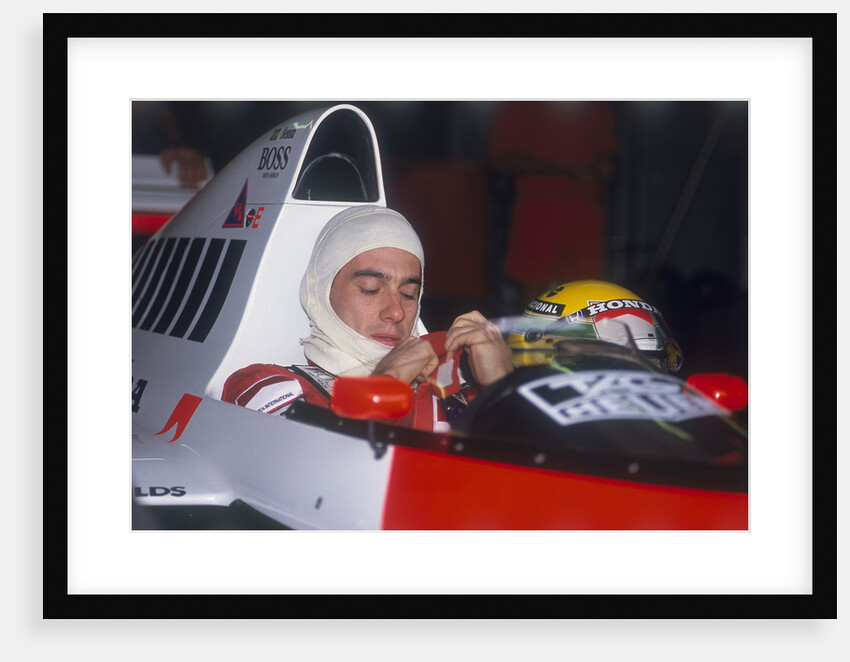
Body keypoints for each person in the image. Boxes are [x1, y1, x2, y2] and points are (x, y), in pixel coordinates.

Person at [221, 205, 514, 431]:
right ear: (321, 291)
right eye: (371, 290)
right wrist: (387, 383)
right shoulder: (263, 386)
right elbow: (309, 483)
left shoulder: (463, 397)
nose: (396, 312)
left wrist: (505, 387)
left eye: (409, 294)